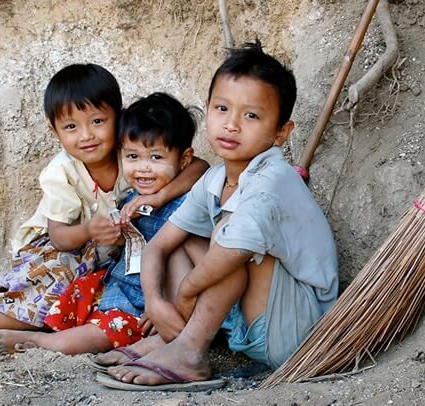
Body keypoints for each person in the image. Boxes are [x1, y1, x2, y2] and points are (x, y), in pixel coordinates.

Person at [103, 41, 339, 387]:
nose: (231, 125)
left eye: (251, 116)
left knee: (227, 236)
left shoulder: (272, 178)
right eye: (222, 108)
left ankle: (189, 352)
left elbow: (230, 253)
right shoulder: (215, 177)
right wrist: (155, 304)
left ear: (281, 133)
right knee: (185, 238)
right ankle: (176, 338)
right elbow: (159, 246)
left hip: (295, 330)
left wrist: (183, 294)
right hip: (248, 324)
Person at [0, 65, 207, 351]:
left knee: (82, 306)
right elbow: (59, 236)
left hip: (114, 255)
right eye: (71, 127)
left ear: (118, 119)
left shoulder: (132, 153)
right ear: (55, 130)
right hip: (66, 251)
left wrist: (159, 198)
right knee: (37, 307)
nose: (86, 136)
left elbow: (199, 167)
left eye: (97, 121)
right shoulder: (62, 171)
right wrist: (89, 230)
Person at [0, 92, 199, 355]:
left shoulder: (189, 201)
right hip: (122, 286)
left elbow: (186, 261)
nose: (143, 168)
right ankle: (21, 327)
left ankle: (41, 343)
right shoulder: (131, 197)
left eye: (155, 158)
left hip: (154, 302)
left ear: (184, 159)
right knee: (72, 301)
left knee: (106, 329)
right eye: (132, 157)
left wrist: (166, 306)